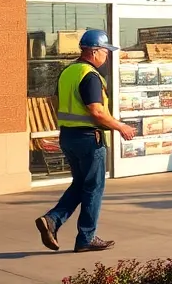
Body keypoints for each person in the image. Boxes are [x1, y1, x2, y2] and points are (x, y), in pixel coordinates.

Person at [35, 29, 137, 253]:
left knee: (81, 184)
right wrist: (121, 127)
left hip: (69, 137)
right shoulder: (89, 75)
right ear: (94, 51)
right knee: (94, 188)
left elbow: (56, 101)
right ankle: (86, 238)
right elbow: (97, 112)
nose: (107, 56)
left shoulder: (68, 72)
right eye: (105, 51)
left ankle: (52, 220)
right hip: (89, 139)